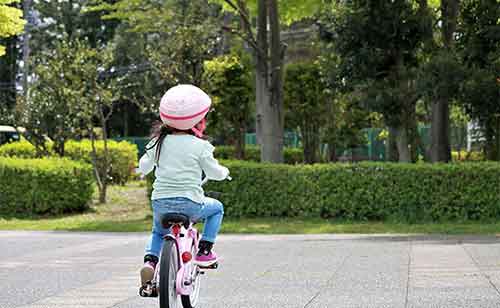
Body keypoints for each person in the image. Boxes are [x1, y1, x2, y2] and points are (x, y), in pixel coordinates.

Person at [137, 84, 230, 286]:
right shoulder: (200, 146)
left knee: (158, 232)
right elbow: (214, 172)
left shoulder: (158, 142)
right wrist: (225, 173)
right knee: (217, 209)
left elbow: (144, 167)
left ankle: (150, 263)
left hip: (161, 202)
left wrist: (139, 171)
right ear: (197, 122)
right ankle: (205, 251)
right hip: (191, 204)